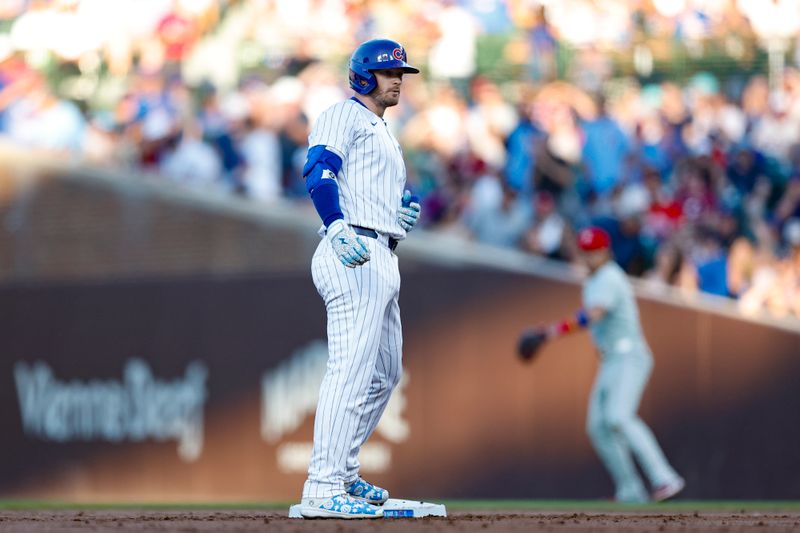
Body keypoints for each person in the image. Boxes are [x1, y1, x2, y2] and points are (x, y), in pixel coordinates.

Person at [296, 39, 422, 519]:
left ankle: (342, 475)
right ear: (363, 75)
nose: (396, 80)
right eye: (388, 73)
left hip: (379, 249)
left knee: (384, 375)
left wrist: (395, 215)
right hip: (353, 250)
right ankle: (322, 485)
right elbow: (319, 171)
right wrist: (335, 225)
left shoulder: (383, 130)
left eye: (400, 74)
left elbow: (366, 187)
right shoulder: (342, 115)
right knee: (350, 370)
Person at [537, 227, 685, 503]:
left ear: (605, 251)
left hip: (629, 355)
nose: (590, 257)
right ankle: (630, 491)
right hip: (611, 360)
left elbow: (593, 315)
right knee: (597, 426)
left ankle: (665, 478)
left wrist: (552, 332)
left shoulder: (609, 276)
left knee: (618, 417)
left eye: (594, 251)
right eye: (586, 252)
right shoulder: (592, 281)